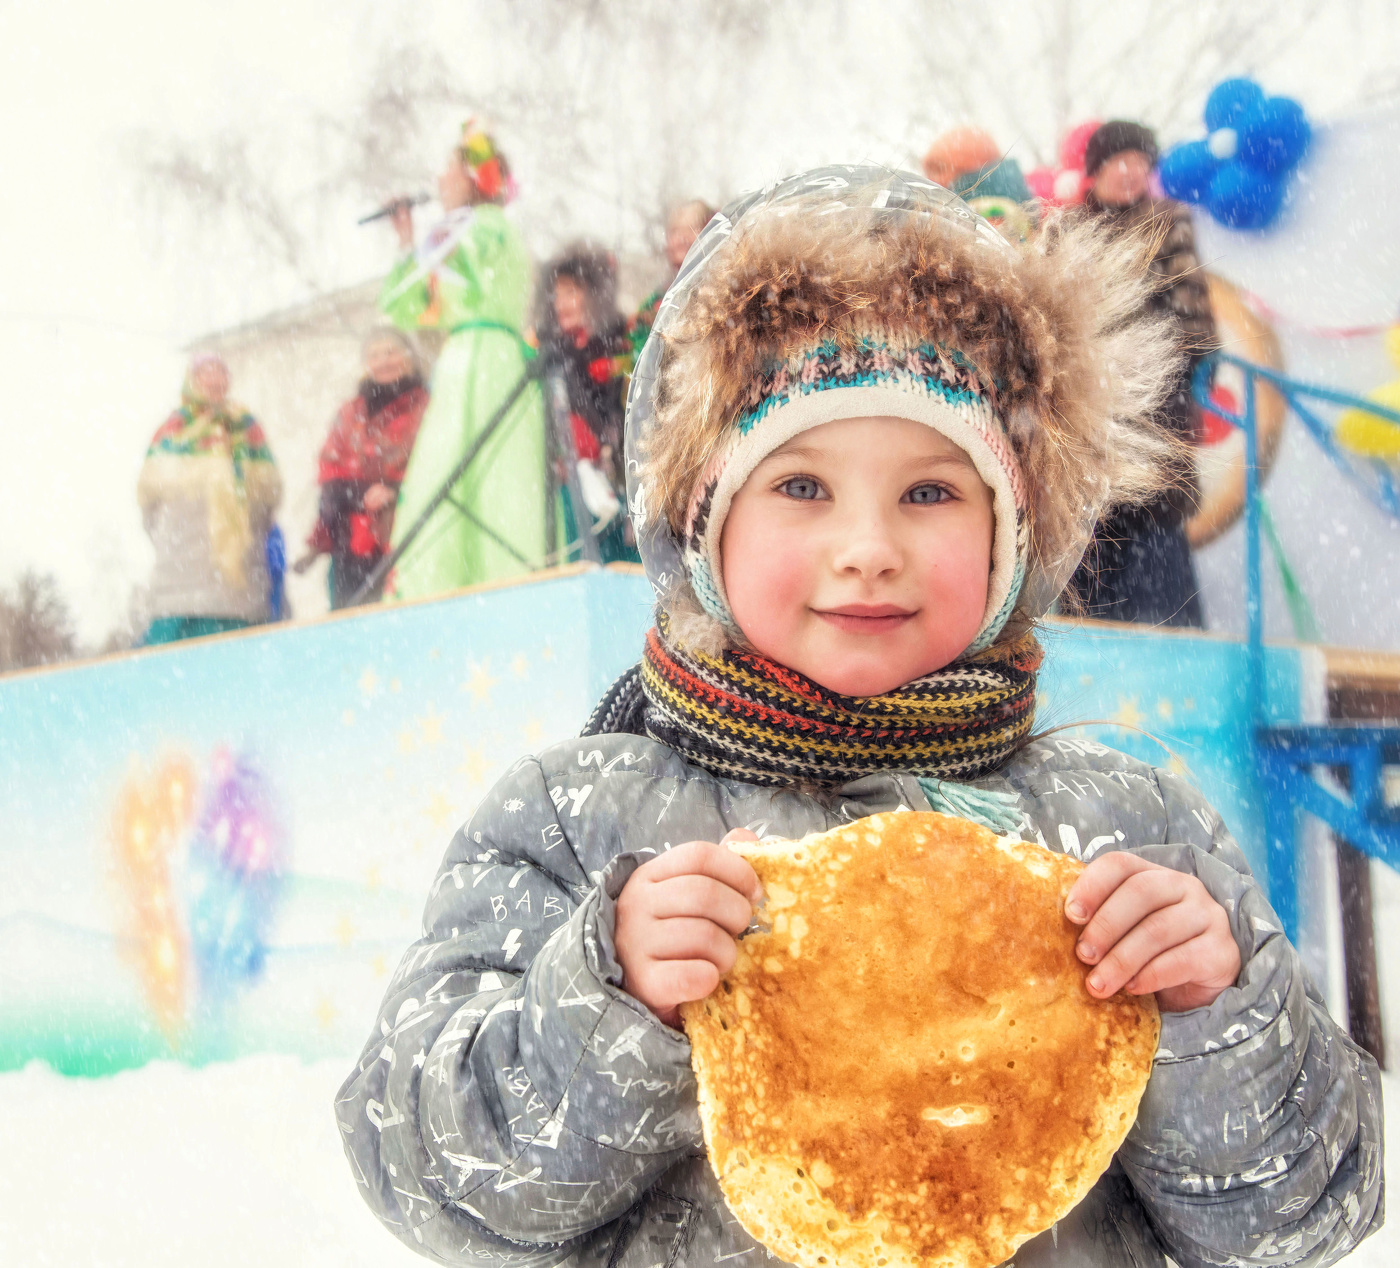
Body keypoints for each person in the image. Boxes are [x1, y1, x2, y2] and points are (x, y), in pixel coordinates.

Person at [336, 169, 1382, 1267]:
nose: (868, 544)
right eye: (801, 487)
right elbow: (418, 1167)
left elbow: (1307, 1215)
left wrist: (1214, 1014)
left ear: (1012, 533)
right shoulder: (578, 817)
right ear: (703, 519)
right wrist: (607, 997)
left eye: (929, 492)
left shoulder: (1124, 827)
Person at [378, 121, 545, 600]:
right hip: (497, 358)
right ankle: (507, 582)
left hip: (475, 361)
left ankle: (437, 584)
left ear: (474, 177)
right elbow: (412, 303)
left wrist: (412, 243)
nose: (439, 180)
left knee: (452, 469)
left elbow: (404, 301)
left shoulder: (472, 229)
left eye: (449, 169)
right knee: (501, 481)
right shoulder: (496, 231)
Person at [1069, 120, 1216, 627]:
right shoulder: (1066, 231)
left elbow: (1194, 323)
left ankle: (1170, 649)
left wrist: (1145, 357)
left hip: (1153, 408)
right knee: (1086, 536)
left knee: (1156, 547)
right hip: (1086, 411)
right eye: (1120, 161)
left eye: (1141, 162)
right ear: (1095, 171)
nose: (1132, 172)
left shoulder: (1165, 222)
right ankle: (1086, 652)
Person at [137, 352, 282, 644]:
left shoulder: (245, 428)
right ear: (192, 380)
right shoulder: (172, 431)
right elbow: (149, 503)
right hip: (179, 580)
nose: (214, 379)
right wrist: (178, 535)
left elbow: (267, 499)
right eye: (206, 372)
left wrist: (238, 530)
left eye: (220, 372)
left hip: (237, 584)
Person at [294, 329, 428, 608]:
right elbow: (330, 470)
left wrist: (393, 491)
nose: (383, 361)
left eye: (391, 352)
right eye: (374, 355)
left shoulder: (425, 407)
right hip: (350, 542)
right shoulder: (350, 412)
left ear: (410, 358)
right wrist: (363, 492)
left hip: (405, 531)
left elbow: (434, 462)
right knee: (351, 621)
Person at [534, 243, 636, 563]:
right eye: (556, 294)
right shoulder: (551, 354)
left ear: (594, 294)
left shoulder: (621, 342)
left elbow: (625, 408)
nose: (560, 303)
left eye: (570, 292)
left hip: (620, 479)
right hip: (572, 485)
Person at [627, 199, 714, 362]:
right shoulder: (655, 301)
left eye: (692, 229)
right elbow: (639, 358)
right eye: (675, 232)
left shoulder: (720, 289)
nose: (682, 238)